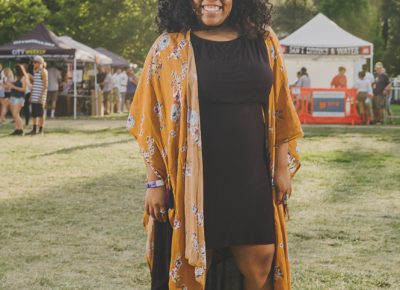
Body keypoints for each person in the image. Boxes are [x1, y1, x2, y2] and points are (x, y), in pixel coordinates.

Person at [127, 1, 303, 290]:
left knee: (261, 259)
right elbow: (151, 116)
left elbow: (281, 107)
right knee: (194, 264)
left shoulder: (263, 40)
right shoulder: (169, 47)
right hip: (192, 179)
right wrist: (154, 182)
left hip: (250, 173)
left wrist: (282, 167)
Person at [28, 56, 48, 135]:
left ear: (40, 63)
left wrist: (42, 96)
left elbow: (46, 85)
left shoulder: (43, 71)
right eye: (33, 62)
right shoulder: (35, 71)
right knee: (34, 114)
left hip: (40, 96)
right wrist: (31, 95)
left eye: (35, 62)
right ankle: (34, 129)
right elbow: (34, 84)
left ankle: (40, 130)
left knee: (40, 114)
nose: (33, 64)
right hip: (34, 96)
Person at [8, 64, 28, 135]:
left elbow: (24, 89)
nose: (14, 71)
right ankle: (17, 129)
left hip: (19, 98)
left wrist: (13, 86)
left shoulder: (23, 78)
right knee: (15, 115)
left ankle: (21, 130)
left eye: (14, 70)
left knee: (15, 114)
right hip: (13, 97)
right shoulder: (17, 77)